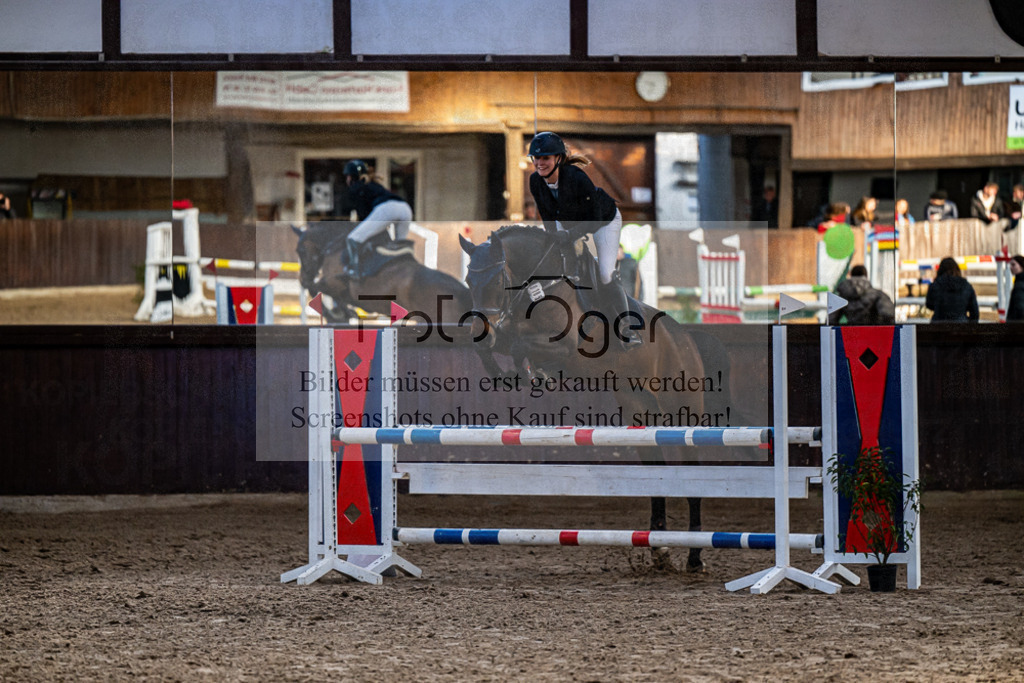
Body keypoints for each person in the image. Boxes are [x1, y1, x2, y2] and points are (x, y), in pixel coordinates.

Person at [527, 131, 640, 345]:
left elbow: (594, 220)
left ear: (558, 159)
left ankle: (627, 327)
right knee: (560, 264)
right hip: (569, 222)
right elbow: (548, 216)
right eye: (537, 158)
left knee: (605, 273)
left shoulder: (575, 177)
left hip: (603, 221)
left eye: (546, 158)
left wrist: (570, 235)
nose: (540, 163)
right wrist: (553, 240)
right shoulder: (535, 181)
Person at [342, 160, 413, 278]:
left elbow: (364, 215)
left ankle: (354, 272)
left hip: (387, 209)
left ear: (350, 177)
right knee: (400, 246)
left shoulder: (356, 187)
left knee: (353, 238)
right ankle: (405, 271)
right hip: (405, 208)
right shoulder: (374, 184)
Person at [828, 265, 896, 325]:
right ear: (866, 276)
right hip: (873, 334)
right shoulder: (878, 294)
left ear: (851, 275)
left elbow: (831, 320)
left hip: (850, 335)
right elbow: (888, 315)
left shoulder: (842, 296)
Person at [925, 256, 979, 323]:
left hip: (938, 327)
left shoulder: (935, 285)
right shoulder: (966, 286)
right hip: (961, 327)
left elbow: (929, 304)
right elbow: (975, 313)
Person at [1007, 255, 1024, 322]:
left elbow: (1020, 308)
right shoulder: (1018, 281)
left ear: (1021, 266)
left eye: (1013, 265)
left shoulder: (1019, 285)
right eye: (1010, 265)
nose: (1011, 267)